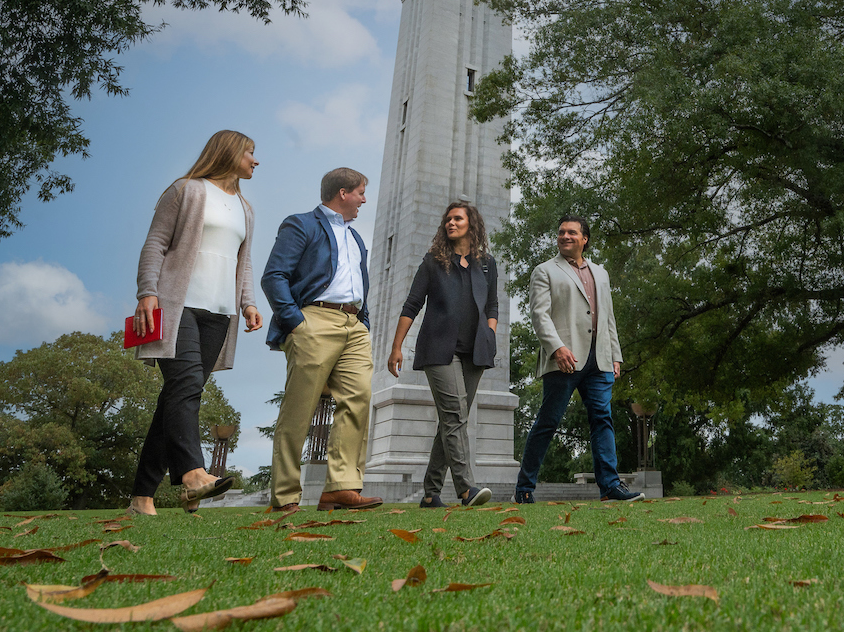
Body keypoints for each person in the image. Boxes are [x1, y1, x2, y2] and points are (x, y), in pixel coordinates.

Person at [128, 130, 263, 515]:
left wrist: (248, 302)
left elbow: (244, 260)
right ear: (230, 153)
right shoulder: (185, 191)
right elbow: (155, 243)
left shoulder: (245, 207)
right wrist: (147, 292)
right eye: (250, 153)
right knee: (185, 388)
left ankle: (142, 496)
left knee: (176, 397)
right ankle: (193, 474)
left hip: (219, 312)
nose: (255, 161)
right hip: (177, 304)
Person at [262, 167, 383, 513]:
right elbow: (275, 275)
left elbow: (360, 283)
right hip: (314, 319)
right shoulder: (301, 224)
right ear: (342, 193)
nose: (363, 199)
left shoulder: (356, 238)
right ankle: (285, 496)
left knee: (358, 398)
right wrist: (296, 322)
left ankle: (341, 487)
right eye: (360, 192)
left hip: (354, 325)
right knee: (300, 408)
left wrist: (364, 322)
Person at [515, 215, 644, 504]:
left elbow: (607, 316)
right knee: (548, 421)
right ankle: (524, 487)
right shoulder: (544, 271)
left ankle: (610, 486)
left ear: (585, 238)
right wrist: (556, 348)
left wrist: (615, 355)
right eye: (561, 232)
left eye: (572, 232)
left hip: (599, 360)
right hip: (565, 358)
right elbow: (539, 314)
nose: (565, 237)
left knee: (603, 419)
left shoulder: (601, 273)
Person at [386, 201, 499, 507]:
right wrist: (397, 347)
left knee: (453, 419)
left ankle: (430, 492)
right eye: (448, 219)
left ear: (471, 225)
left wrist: (490, 332)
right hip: (439, 348)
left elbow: (492, 305)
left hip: (475, 351)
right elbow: (412, 304)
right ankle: (466, 489)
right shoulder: (432, 262)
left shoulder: (487, 264)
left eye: (457, 219)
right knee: (454, 416)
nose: (451, 223)